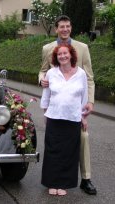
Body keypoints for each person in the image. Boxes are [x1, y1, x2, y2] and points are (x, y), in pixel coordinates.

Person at [39, 15, 97, 195]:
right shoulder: (48, 48)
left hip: (76, 104)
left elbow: (88, 77)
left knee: (82, 140)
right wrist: (42, 81)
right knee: (56, 145)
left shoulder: (82, 47)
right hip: (57, 103)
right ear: (56, 29)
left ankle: (86, 178)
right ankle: (55, 180)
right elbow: (42, 71)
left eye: (67, 26)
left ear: (71, 28)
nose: (64, 29)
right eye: (61, 27)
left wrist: (90, 101)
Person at [40, 44, 88, 196]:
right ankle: (51, 183)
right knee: (52, 151)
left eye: (65, 53)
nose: (62, 56)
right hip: (54, 117)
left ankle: (63, 184)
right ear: (56, 57)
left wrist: (83, 117)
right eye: (59, 54)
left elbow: (84, 97)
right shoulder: (51, 73)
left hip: (73, 118)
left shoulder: (81, 74)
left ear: (71, 54)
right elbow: (46, 96)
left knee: (68, 152)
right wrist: (46, 113)